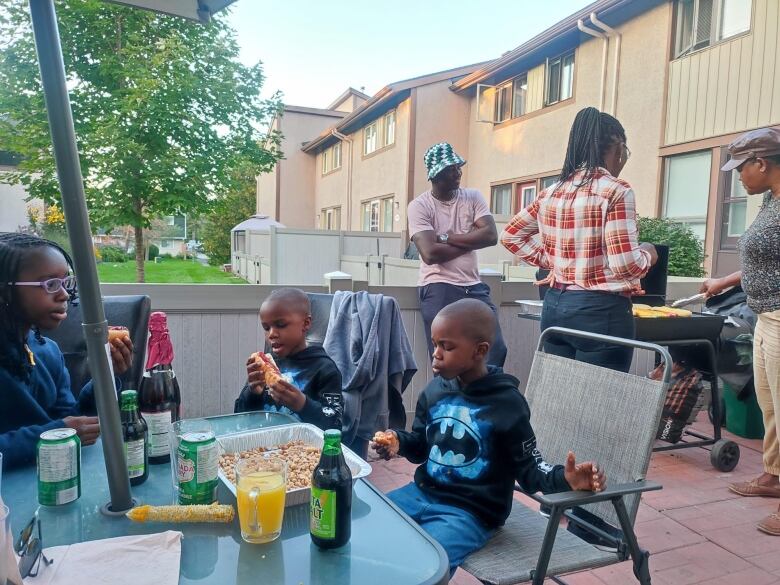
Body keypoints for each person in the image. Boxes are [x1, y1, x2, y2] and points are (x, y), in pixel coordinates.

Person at [371, 299, 605, 574]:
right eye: (435, 344)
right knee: (368, 527)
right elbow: (421, 446)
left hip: (469, 513)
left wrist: (565, 479)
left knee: (428, 567)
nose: (436, 354)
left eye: (446, 346)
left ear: (479, 351)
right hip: (421, 493)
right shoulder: (434, 392)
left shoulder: (507, 404)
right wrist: (399, 441)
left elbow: (529, 468)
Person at [501, 107, 658, 373]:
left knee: (561, 398)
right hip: (601, 311)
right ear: (618, 147)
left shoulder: (550, 192)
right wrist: (648, 253)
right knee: (599, 403)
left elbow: (511, 235)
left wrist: (553, 259)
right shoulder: (616, 191)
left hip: (555, 306)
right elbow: (625, 266)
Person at [699, 127, 780, 536]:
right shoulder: (771, 199)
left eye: (741, 168)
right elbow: (763, 260)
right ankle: (774, 476)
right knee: (769, 403)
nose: (738, 176)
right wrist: (725, 282)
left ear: (762, 163)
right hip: (766, 314)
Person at [0, 233, 134, 468]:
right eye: (50, 284)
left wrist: (105, 376)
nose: (63, 294)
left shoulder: (47, 351)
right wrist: (56, 435)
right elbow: (60, 428)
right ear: (4, 290)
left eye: (66, 283)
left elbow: (70, 417)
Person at [407, 142, 507, 368]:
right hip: (438, 286)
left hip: (474, 286)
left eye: (458, 167)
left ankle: (485, 401)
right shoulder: (419, 206)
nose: (458, 172)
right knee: (446, 358)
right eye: (451, 168)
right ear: (436, 175)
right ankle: (448, 403)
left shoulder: (472, 197)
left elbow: (490, 235)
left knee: (495, 348)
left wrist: (447, 237)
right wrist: (472, 238)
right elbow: (430, 254)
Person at [235, 287, 343, 430]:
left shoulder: (325, 369)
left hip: (305, 450)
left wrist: (303, 404)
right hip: (261, 447)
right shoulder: (264, 367)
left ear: (305, 323)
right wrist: (252, 392)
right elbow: (238, 418)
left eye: (281, 325)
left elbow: (335, 426)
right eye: (266, 328)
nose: (271, 334)